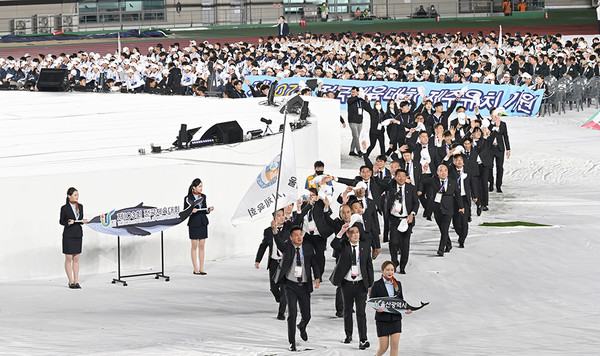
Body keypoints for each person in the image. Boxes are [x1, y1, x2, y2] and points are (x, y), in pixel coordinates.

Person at [274, 225, 321, 351]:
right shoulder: (288, 248)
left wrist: (317, 277)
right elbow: (279, 244)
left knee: (307, 315)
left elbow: (314, 264)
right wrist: (275, 232)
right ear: (291, 238)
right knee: (292, 314)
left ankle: (302, 326)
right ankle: (292, 342)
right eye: (296, 235)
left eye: (300, 234)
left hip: (304, 286)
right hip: (291, 285)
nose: (299, 237)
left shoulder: (308, 248)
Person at [330, 224, 374, 350]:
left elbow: (369, 266)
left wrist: (370, 285)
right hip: (347, 284)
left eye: (357, 232)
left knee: (361, 313)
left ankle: (363, 339)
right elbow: (334, 244)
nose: (355, 234)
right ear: (348, 235)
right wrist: (341, 231)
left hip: (361, 285)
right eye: (352, 232)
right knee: (347, 311)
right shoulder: (343, 246)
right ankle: (348, 335)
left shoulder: (365, 246)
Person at [376, 169, 419, 273]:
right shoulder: (390, 186)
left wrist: (412, 213)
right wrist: (374, 171)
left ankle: (403, 266)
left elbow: (416, 203)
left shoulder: (411, 188)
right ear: (395, 177)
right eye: (398, 176)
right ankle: (394, 261)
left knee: (405, 245)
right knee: (393, 242)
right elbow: (378, 182)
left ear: (406, 177)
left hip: (406, 220)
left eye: (403, 176)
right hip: (394, 219)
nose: (401, 178)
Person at [419, 164, 464, 256]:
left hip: (448, 208)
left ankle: (441, 249)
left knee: (444, 228)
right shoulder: (433, 181)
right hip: (437, 208)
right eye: (441, 171)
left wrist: (461, 207)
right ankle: (448, 244)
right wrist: (423, 172)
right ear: (437, 172)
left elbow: (458, 195)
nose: (443, 173)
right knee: (442, 229)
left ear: (448, 172)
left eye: (445, 170)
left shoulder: (453, 181)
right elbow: (422, 181)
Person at [370, 261, 412, 356]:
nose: (390, 272)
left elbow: (401, 300)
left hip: (395, 319)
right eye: (387, 270)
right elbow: (372, 300)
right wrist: (377, 308)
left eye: (392, 270)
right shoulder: (376, 285)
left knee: (395, 346)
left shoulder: (398, 284)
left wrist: (406, 309)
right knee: (383, 347)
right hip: (382, 320)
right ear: (382, 271)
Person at [255, 209, 289, 320]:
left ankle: (281, 312)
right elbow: (263, 245)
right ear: (273, 218)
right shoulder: (268, 231)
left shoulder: (289, 229)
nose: (281, 217)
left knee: (284, 289)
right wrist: (258, 260)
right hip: (274, 262)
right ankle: (281, 300)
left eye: (283, 215)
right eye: (278, 216)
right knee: (274, 288)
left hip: (285, 262)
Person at [184, 178, 214, 275]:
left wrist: (209, 209)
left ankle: (201, 268)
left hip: (202, 222)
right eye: (199, 186)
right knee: (194, 246)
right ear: (194, 187)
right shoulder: (188, 198)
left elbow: (204, 209)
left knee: (202, 245)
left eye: (202, 186)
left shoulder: (203, 196)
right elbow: (184, 212)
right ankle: (195, 268)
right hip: (193, 222)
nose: (201, 188)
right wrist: (191, 211)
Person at [59, 187, 88, 289]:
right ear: (69, 196)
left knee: (76, 258)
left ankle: (76, 281)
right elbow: (61, 221)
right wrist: (68, 222)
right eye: (75, 195)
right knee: (68, 258)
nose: (77, 197)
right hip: (68, 235)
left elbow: (79, 220)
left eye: (77, 194)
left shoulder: (80, 206)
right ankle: (70, 281)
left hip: (78, 234)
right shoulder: (64, 208)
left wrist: (82, 221)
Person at [487, 108, 511, 193]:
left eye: (497, 114)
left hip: (500, 148)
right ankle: (490, 183)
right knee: (489, 166)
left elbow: (505, 136)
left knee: (500, 167)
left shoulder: (503, 124)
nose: (495, 116)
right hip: (490, 148)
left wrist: (508, 149)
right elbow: (487, 133)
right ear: (491, 115)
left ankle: (498, 186)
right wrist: (493, 124)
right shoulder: (488, 123)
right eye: (494, 114)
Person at [347, 87, 370, 157]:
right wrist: (358, 97)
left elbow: (367, 107)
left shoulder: (361, 101)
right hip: (352, 121)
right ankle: (359, 150)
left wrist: (367, 101)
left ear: (357, 92)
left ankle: (351, 151)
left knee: (355, 137)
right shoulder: (350, 99)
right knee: (356, 137)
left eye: (354, 92)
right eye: (352, 92)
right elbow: (350, 101)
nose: (352, 93)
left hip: (360, 121)